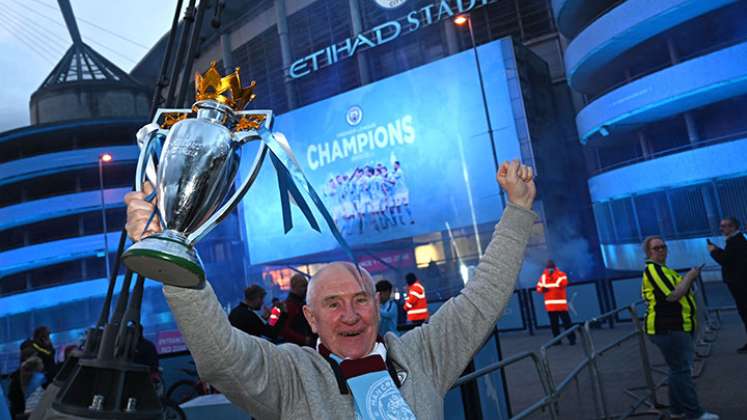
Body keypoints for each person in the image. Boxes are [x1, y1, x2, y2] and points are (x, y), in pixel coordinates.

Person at [123, 160, 536, 419]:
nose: (351, 315)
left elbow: (483, 298)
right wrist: (171, 257)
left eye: (360, 300)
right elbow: (221, 355)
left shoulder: (423, 354)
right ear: (310, 317)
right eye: (333, 304)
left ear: (376, 305)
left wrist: (518, 212)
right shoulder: (290, 376)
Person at [641, 236, 718, 420]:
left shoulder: (664, 270)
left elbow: (680, 291)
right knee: (682, 370)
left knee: (677, 369)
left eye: (662, 247)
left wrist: (688, 280)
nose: (661, 250)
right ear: (649, 252)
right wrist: (690, 277)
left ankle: (677, 410)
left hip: (674, 326)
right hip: (668, 327)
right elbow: (672, 295)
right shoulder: (653, 270)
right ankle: (694, 413)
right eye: (656, 248)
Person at [707, 217, 747, 353]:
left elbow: (726, 261)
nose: (721, 228)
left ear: (733, 227)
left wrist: (713, 251)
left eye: (724, 226)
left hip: (740, 284)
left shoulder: (735, 241)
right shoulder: (737, 240)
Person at [536, 260, 575, 345]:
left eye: (551, 268)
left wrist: (553, 275)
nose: (550, 270)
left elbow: (563, 284)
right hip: (550, 306)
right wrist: (542, 289)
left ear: (554, 267)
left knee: (567, 323)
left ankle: (572, 339)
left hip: (561, 306)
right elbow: (538, 288)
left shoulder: (561, 274)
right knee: (554, 325)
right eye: (548, 268)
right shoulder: (543, 277)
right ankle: (557, 341)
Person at [279, 274, 316, 346]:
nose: (306, 289)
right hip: (298, 346)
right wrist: (303, 339)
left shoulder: (299, 303)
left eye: (306, 285)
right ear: (294, 286)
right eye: (303, 286)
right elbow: (283, 329)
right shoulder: (289, 305)